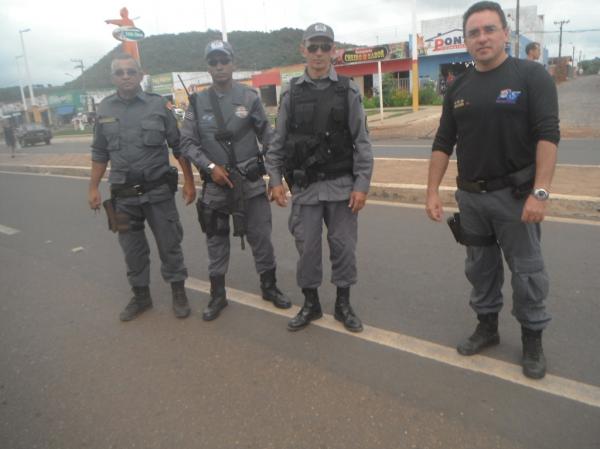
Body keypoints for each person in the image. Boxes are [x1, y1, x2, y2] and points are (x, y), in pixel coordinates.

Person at [425, 1, 559, 379]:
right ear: (465, 41)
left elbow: (548, 135)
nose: (481, 38)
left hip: (516, 198)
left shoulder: (531, 76)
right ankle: (487, 327)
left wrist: (541, 192)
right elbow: (442, 141)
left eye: (488, 30)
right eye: (474, 32)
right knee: (480, 269)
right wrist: (432, 191)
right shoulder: (458, 87)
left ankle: (533, 338)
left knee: (528, 273)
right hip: (471, 198)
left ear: (505, 33)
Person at [267, 23, 373, 333]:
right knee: (307, 249)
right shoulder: (291, 92)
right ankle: (311, 303)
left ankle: (343, 304)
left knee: (343, 248)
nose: (318, 53)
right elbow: (278, 141)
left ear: (334, 50)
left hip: (341, 186)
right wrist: (275, 180)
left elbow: (362, 142)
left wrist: (362, 185)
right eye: (313, 46)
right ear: (303, 49)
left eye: (324, 46)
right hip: (306, 187)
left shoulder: (348, 89)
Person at [180, 40, 291, 321]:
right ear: (207, 67)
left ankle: (269, 287)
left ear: (233, 63)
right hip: (216, 186)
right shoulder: (197, 102)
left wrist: (274, 176)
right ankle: (218, 296)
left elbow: (269, 138)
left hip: (251, 184)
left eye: (223, 61)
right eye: (213, 62)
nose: (219, 67)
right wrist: (210, 166)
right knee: (216, 241)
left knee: (261, 239)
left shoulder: (250, 97)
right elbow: (187, 143)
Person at [88, 53, 195, 322]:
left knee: (170, 243)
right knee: (131, 248)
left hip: (158, 192)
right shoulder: (104, 110)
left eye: (130, 71)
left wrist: (189, 181)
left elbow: (178, 147)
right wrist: (93, 188)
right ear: (113, 77)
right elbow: (100, 152)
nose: (125, 76)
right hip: (121, 195)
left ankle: (178, 292)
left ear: (140, 74)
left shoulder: (159, 106)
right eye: (119, 72)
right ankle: (141, 296)